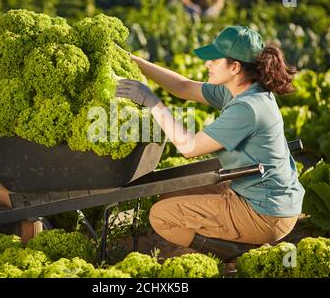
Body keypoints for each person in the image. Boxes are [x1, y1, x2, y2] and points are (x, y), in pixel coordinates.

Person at [115, 26, 305, 261]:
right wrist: (133, 60)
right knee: (170, 193)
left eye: (214, 60)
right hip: (252, 194)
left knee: (161, 216)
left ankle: (231, 252)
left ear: (234, 67)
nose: (208, 64)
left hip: (265, 214)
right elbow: (183, 87)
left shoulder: (248, 108)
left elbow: (189, 148)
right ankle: (232, 237)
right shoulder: (239, 89)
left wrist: (152, 102)